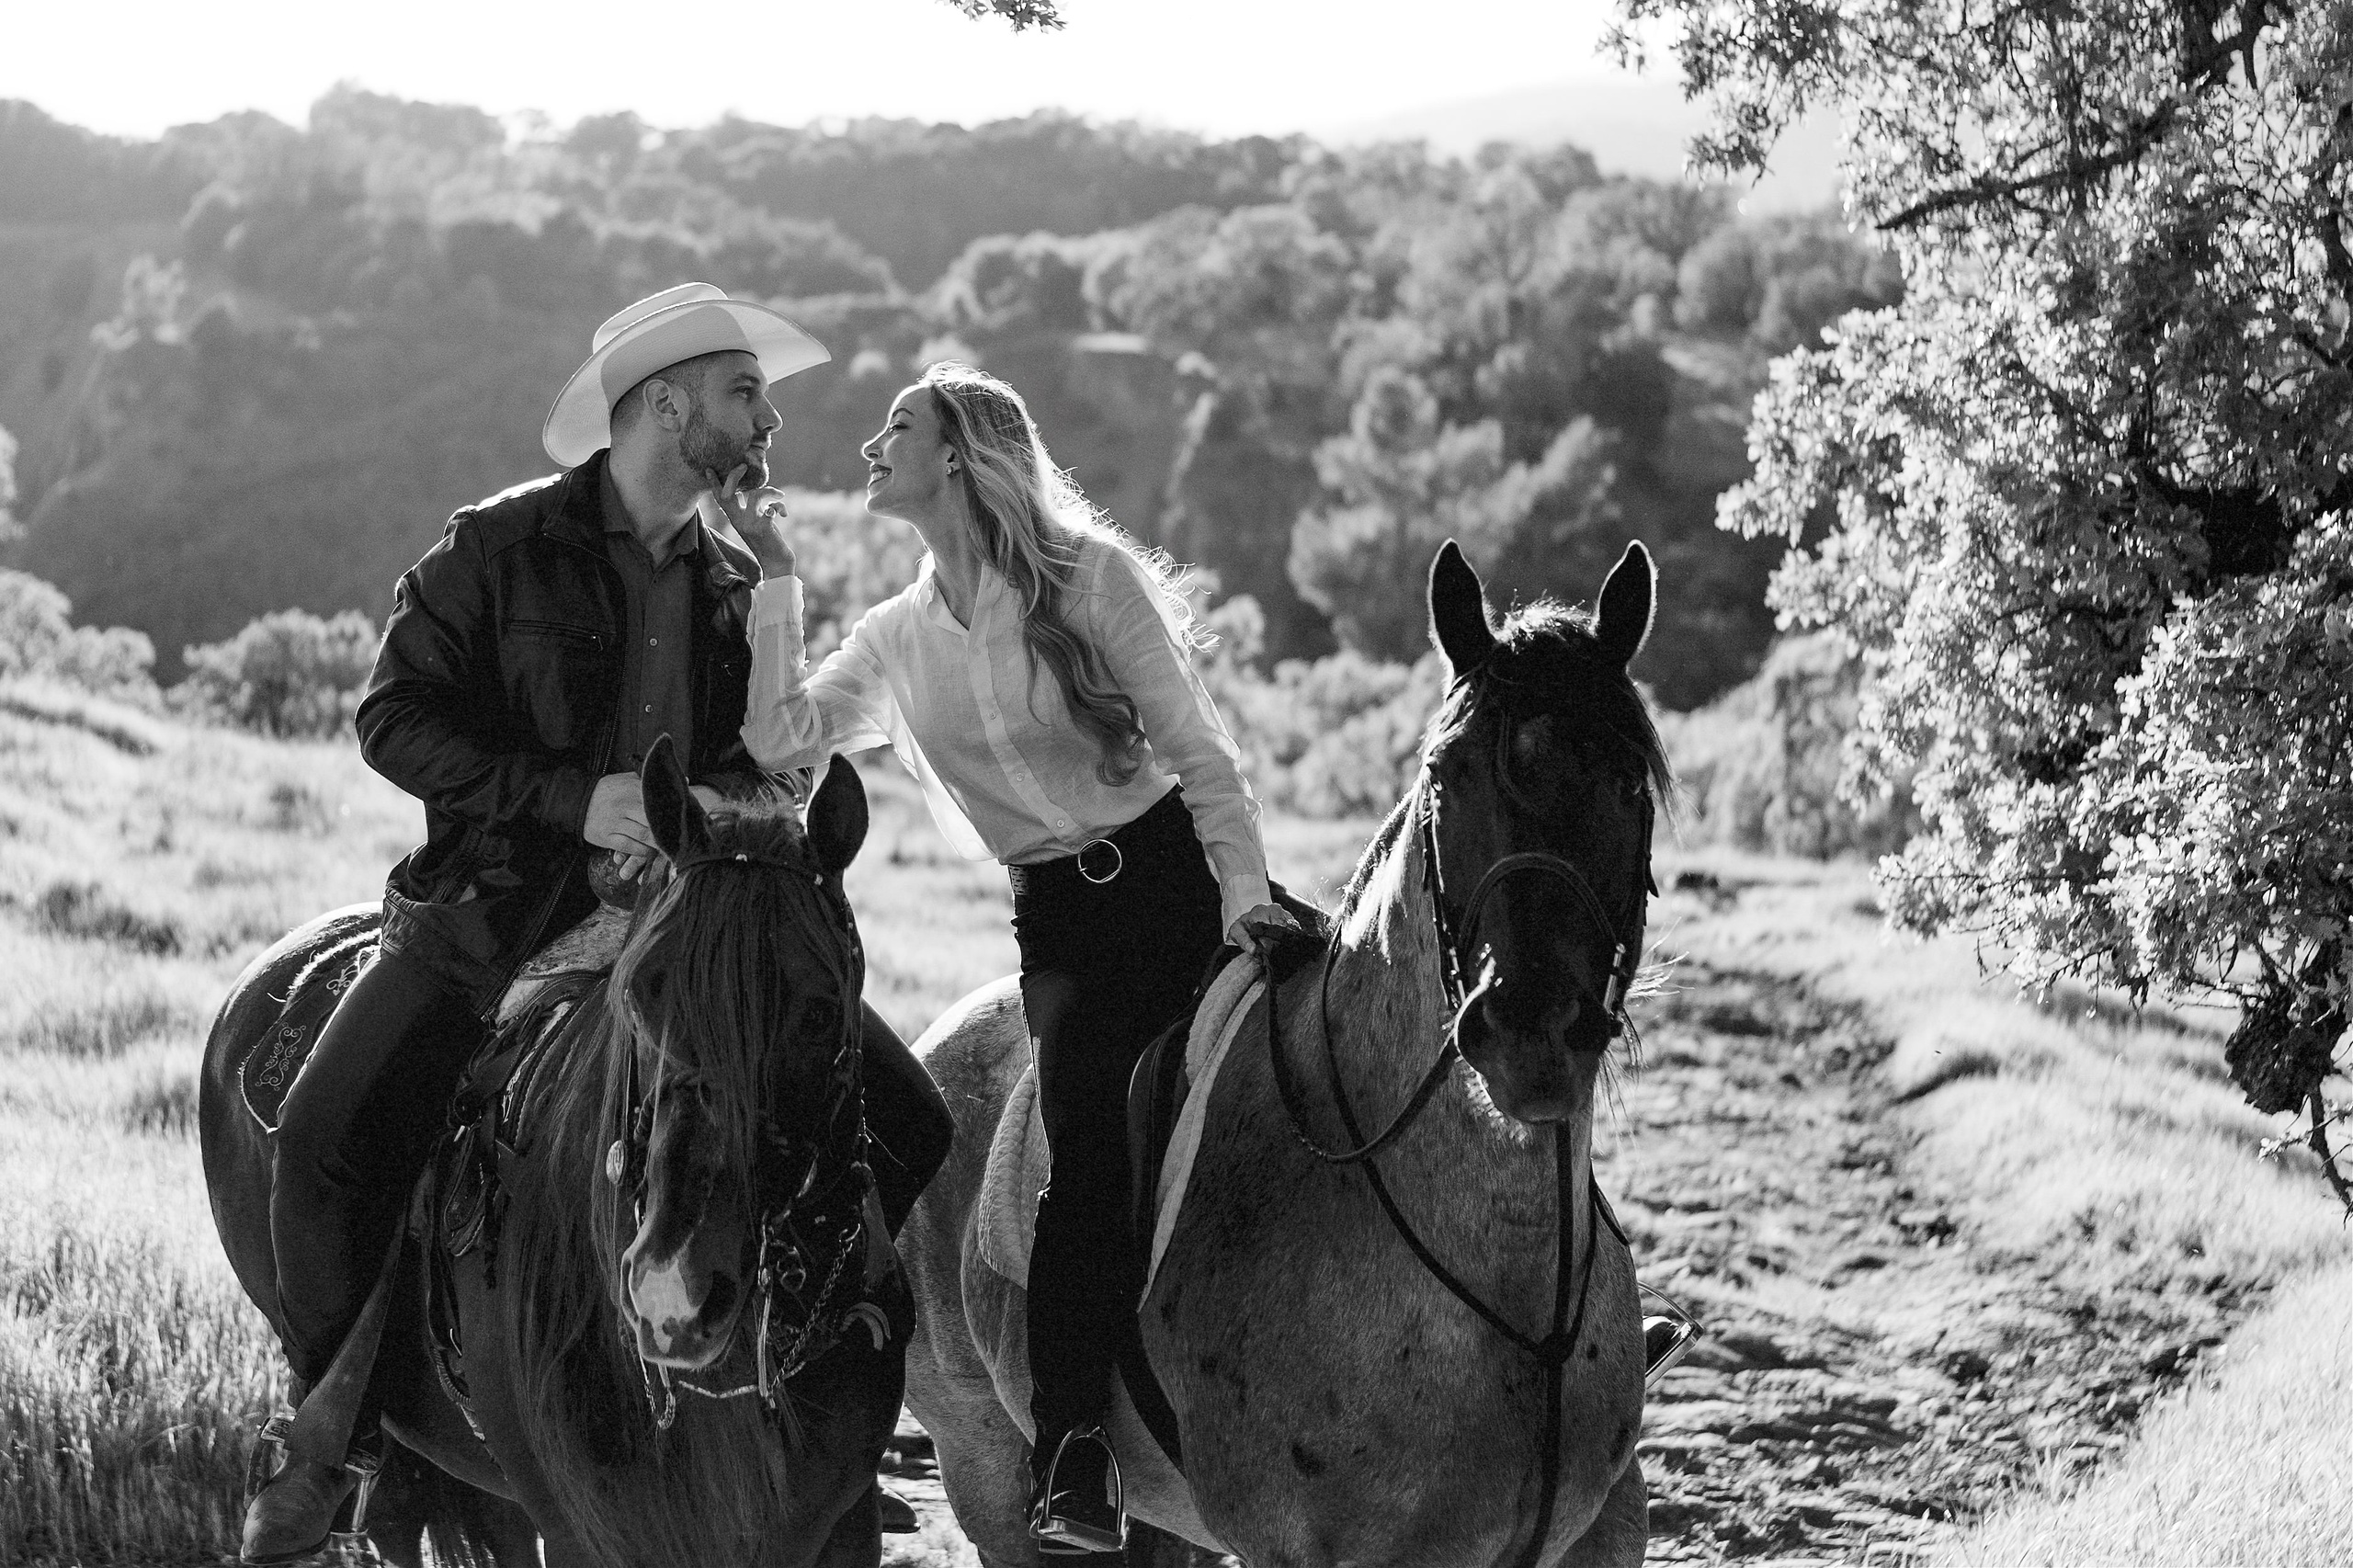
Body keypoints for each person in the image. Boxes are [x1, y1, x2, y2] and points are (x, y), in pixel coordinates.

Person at [243, 283, 956, 1564]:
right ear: (667, 404)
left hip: (692, 930)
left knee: (909, 1116)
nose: (770, 416)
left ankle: (813, 1394)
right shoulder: (499, 546)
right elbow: (390, 719)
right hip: (494, 918)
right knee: (321, 1141)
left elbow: (777, 763)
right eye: (747, 391)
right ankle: (343, 1428)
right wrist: (578, 801)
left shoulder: (742, 577)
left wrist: (782, 595)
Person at [737, 361, 1301, 1554]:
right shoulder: (893, 638)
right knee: (1088, 1145)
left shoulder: (1093, 580)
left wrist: (1248, 901)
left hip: (1182, 881)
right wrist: (772, 580)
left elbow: (1199, 754)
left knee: (1354, 1043)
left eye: (900, 424)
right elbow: (781, 749)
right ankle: (1076, 1450)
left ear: (959, 455)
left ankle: (1572, 1321)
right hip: (1061, 925)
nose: (872, 442)